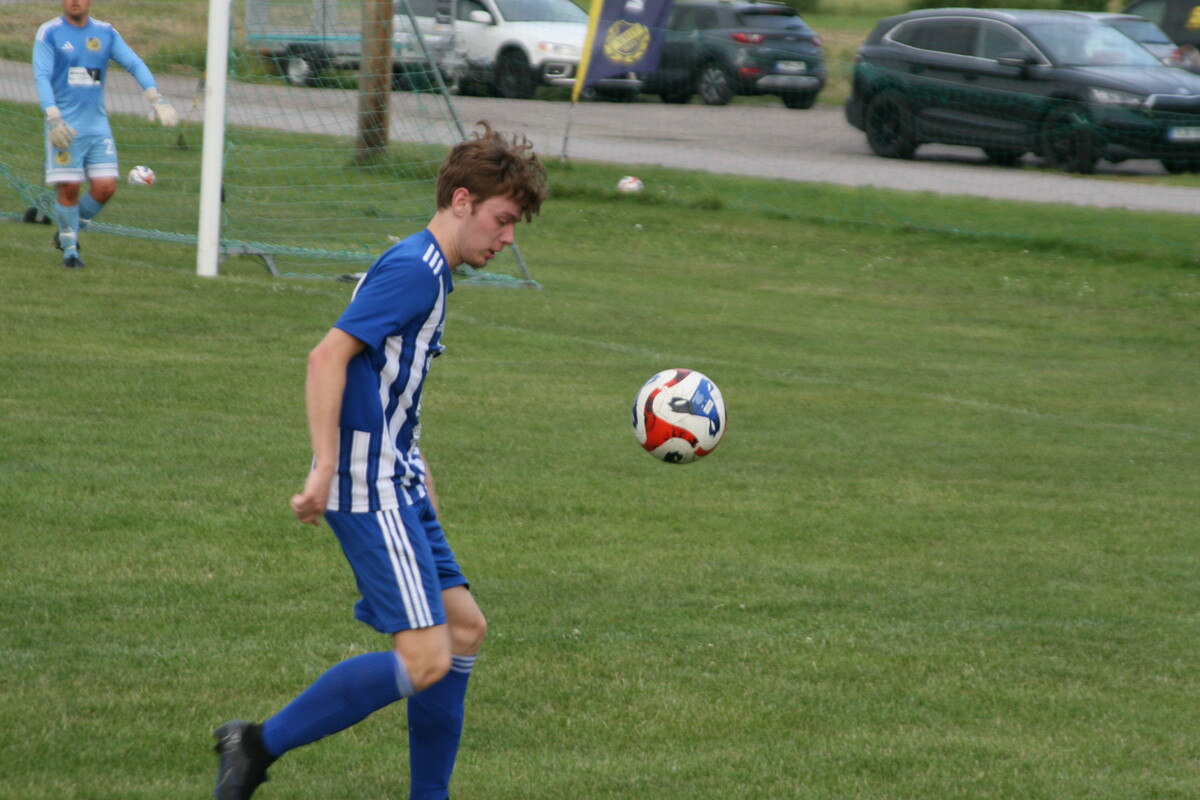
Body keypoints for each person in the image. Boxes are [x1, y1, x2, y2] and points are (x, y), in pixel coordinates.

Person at [212, 121, 548, 800]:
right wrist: (324, 466)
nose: (508, 238)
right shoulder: (415, 271)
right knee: (424, 659)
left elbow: (388, 382)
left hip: (399, 478)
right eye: (503, 219)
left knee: (464, 631)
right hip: (368, 485)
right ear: (462, 202)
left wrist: (419, 472)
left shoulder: (432, 271)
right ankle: (255, 745)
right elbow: (327, 357)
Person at [32, 0, 177, 269]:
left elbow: (134, 63)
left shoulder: (106, 32)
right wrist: (52, 116)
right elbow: (41, 75)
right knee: (70, 187)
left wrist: (155, 97)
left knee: (105, 187)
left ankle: (68, 232)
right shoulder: (49, 32)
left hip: (97, 126)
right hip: (64, 126)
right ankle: (70, 253)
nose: (75, 1)